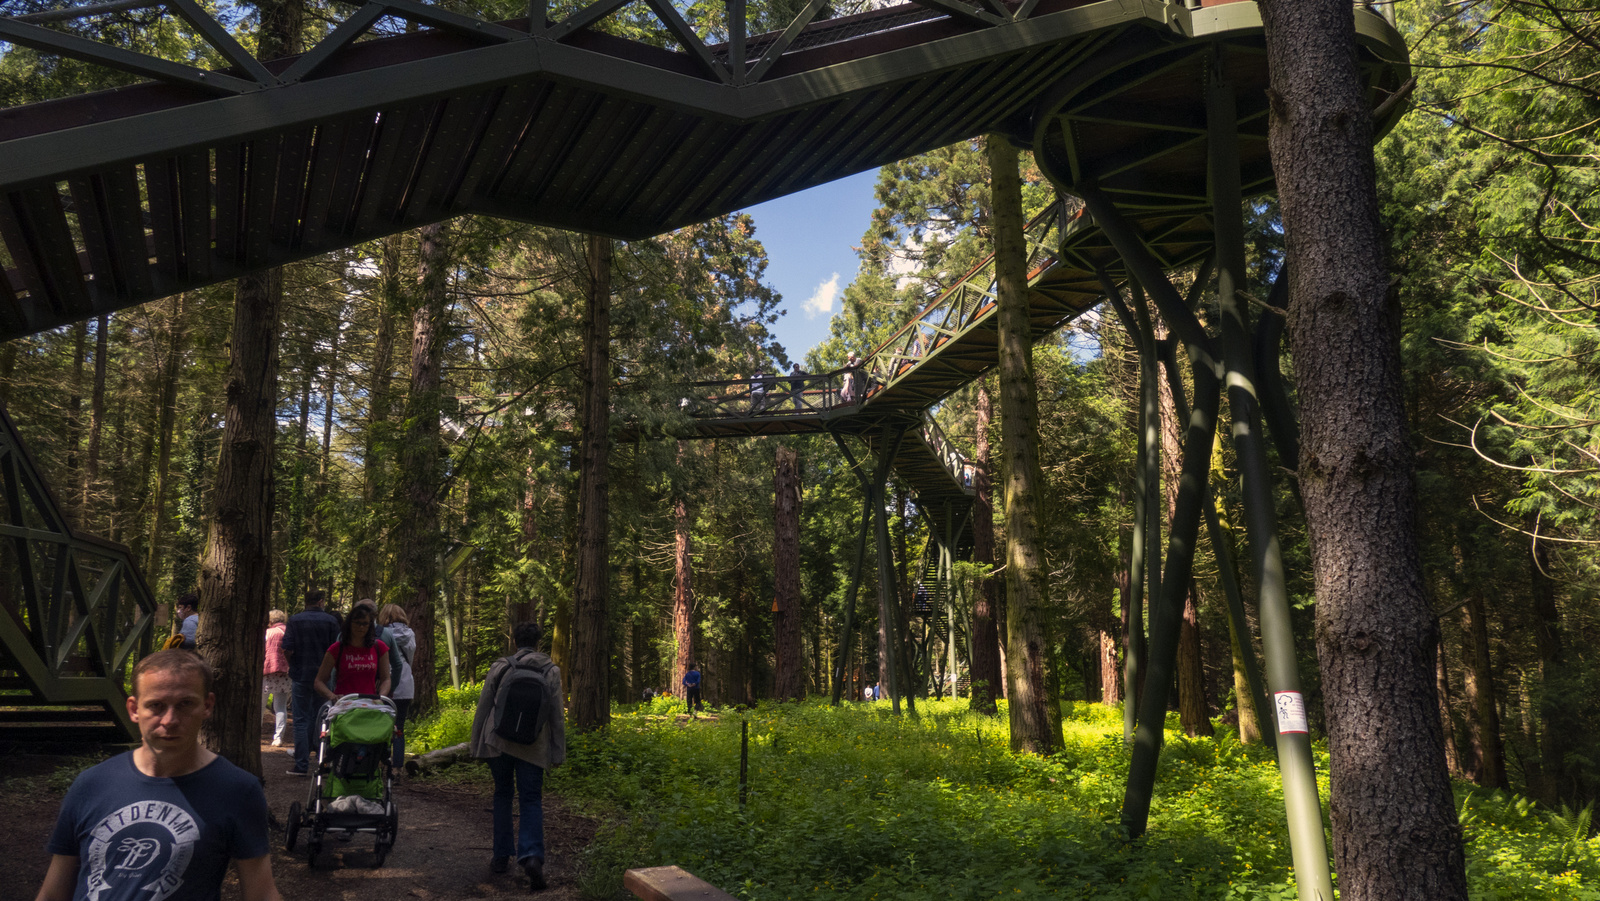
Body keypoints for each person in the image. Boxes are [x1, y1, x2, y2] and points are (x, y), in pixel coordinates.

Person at [34, 649, 284, 901]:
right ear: (134, 709)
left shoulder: (237, 790)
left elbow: (261, 893)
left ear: (207, 705)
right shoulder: (91, 784)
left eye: (186, 704)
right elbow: (54, 891)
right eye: (156, 705)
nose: (170, 720)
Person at [471, 620, 566, 892]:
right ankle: (532, 856)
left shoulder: (501, 666)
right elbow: (556, 716)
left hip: (498, 741)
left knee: (502, 794)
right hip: (533, 746)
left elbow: (484, 706)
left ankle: (501, 856)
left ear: (514, 641)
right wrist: (557, 753)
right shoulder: (551, 670)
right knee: (531, 799)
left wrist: (476, 744)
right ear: (539, 643)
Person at [284, 589, 341, 775]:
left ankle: (301, 765)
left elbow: (287, 648)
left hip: (301, 674)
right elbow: (337, 649)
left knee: (301, 719)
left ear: (306, 602)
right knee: (323, 718)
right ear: (321, 601)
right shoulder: (331, 621)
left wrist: (294, 665)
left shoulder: (294, 620)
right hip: (324, 677)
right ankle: (323, 762)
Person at [314, 599, 391, 702]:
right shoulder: (336, 649)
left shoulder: (379, 647)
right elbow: (319, 681)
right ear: (350, 623)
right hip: (344, 705)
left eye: (365, 624)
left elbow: (386, 678)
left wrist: (381, 697)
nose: (361, 627)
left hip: (370, 705)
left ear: (370, 625)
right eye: (357, 623)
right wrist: (332, 696)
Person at [378, 603, 416, 769]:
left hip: (385, 682)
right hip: (406, 682)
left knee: (382, 725)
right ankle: (398, 767)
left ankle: (381, 762)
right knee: (399, 727)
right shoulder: (410, 633)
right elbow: (410, 657)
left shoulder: (381, 634)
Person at [262, 609, 290, 747]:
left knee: (261, 705)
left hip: (267, 672)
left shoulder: (268, 633)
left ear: (271, 620)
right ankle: (278, 737)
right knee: (280, 707)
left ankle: (256, 734)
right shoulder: (288, 631)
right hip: (285, 673)